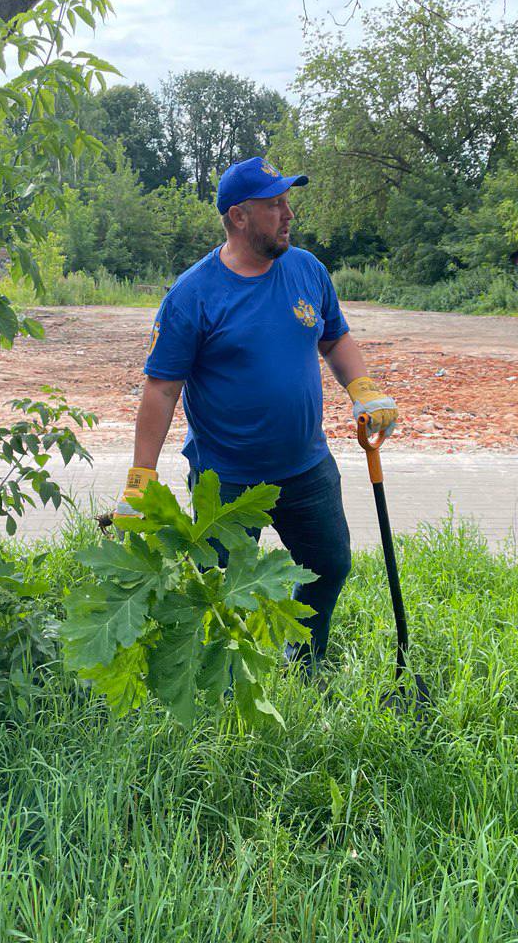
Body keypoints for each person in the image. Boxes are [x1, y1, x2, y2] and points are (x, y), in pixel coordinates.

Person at [116, 156, 399, 672]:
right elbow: (161, 390)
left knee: (328, 566)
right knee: (220, 593)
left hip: (306, 466)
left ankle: (304, 659)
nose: (289, 214)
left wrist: (363, 388)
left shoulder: (308, 269)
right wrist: (141, 478)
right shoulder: (192, 295)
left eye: (288, 201)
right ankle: (222, 682)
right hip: (227, 480)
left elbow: (334, 336)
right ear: (240, 216)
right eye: (275, 205)